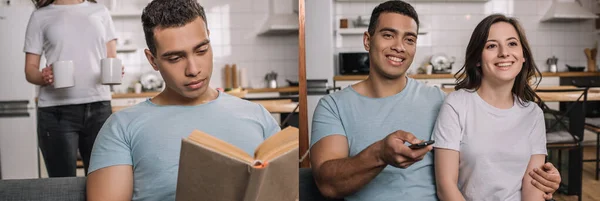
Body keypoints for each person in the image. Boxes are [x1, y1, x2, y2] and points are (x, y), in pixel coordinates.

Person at [310, 1, 561, 201]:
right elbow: (327, 184)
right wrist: (379, 154)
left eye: (409, 39)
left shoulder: (440, 101)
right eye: (388, 35)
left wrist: (545, 178)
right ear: (368, 40)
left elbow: (491, 152)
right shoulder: (333, 106)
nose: (400, 46)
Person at [85, 0, 281, 200]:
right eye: (175, 58)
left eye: (201, 50)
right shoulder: (122, 127)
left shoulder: (258, 116)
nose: (193, 70)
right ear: (152, 60)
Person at [434, 14, 548, 201]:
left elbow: (533, 188)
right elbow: (446, 187)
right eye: (491, 46)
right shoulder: (456, 104)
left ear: (523, 56)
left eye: (512, 43)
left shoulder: (533, 114)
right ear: (477, 59)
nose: (504, 53)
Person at [24, 0, 118, 177]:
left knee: (102, 179)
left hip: (98, 107)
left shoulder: (100, 11)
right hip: (56, 112)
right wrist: (43, 76)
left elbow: (111, 56)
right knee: (62, 183)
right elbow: (30, 70)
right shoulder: (40, 16)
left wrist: (115, 70)